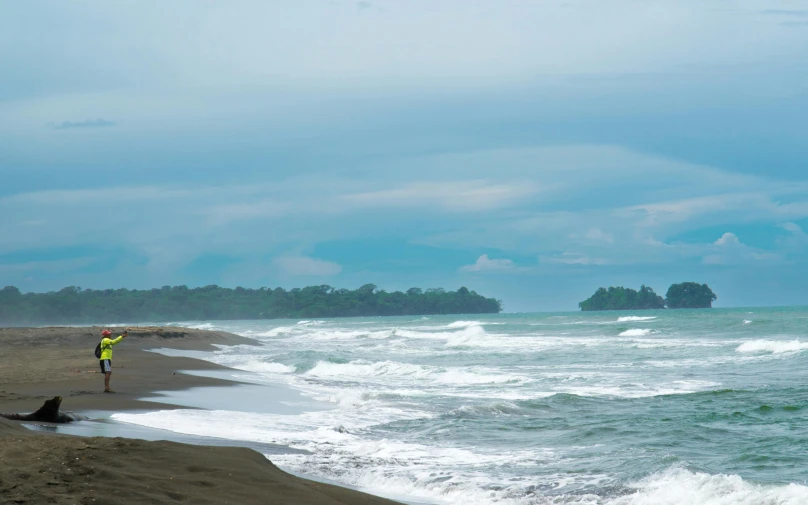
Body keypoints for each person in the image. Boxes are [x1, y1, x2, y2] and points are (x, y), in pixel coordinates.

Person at [99, 328, 128, 393]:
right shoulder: (105, 339)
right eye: (109, 334)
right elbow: (113, 342)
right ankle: (107, 388)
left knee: (107, 373)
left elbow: (114, 342)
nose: (110, 335)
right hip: (105, 358)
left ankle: (107, 387)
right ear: (105, 335)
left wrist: (122, 336)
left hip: (106, 358)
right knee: (108, 372)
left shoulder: (106, 340)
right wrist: (122, 336)